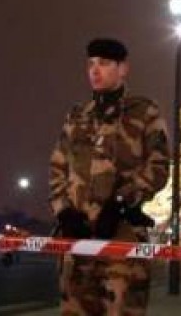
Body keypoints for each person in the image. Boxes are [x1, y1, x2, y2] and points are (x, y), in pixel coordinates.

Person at [48, 38, 170, 316]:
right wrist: (64, 212)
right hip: (76, 239)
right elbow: (57, 167)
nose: (94, 70)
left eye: (103, 63)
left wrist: (120, 202)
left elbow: (159, 166)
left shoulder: (144, 112)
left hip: (121, 239)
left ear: (123, 68)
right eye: (90, 64)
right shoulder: (76, 116)